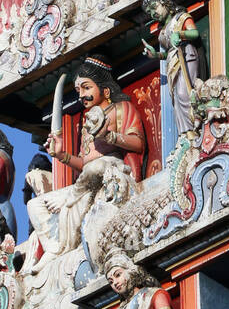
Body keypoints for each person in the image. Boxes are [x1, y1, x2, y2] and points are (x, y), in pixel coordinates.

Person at [20, 57, 146, 284]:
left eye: (86, 88)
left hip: (111, 173)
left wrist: (110, 136)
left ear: (105, 90)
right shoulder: (86, 121)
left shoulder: (120, 109)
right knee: (34, 204)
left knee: (97, 167)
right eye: (78, 90)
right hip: (88, 179)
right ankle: (55, 247)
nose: (81, 95)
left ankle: (69, 200)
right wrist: (61, 156)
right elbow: (86, 162)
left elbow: (138, 143)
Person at [142, 0, 206, 137]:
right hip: (172, 61)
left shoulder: (181, 18)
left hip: (185, 55)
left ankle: (197, 125)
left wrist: (181, 34)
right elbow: (167, 52)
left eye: (154, 7)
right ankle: (186, 133)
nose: (153, 13)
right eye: (150, 12)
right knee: (176, 98)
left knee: (185, 93)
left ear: (166, 3)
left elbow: (194, 33)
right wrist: (156, 55)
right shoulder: (162, 32)